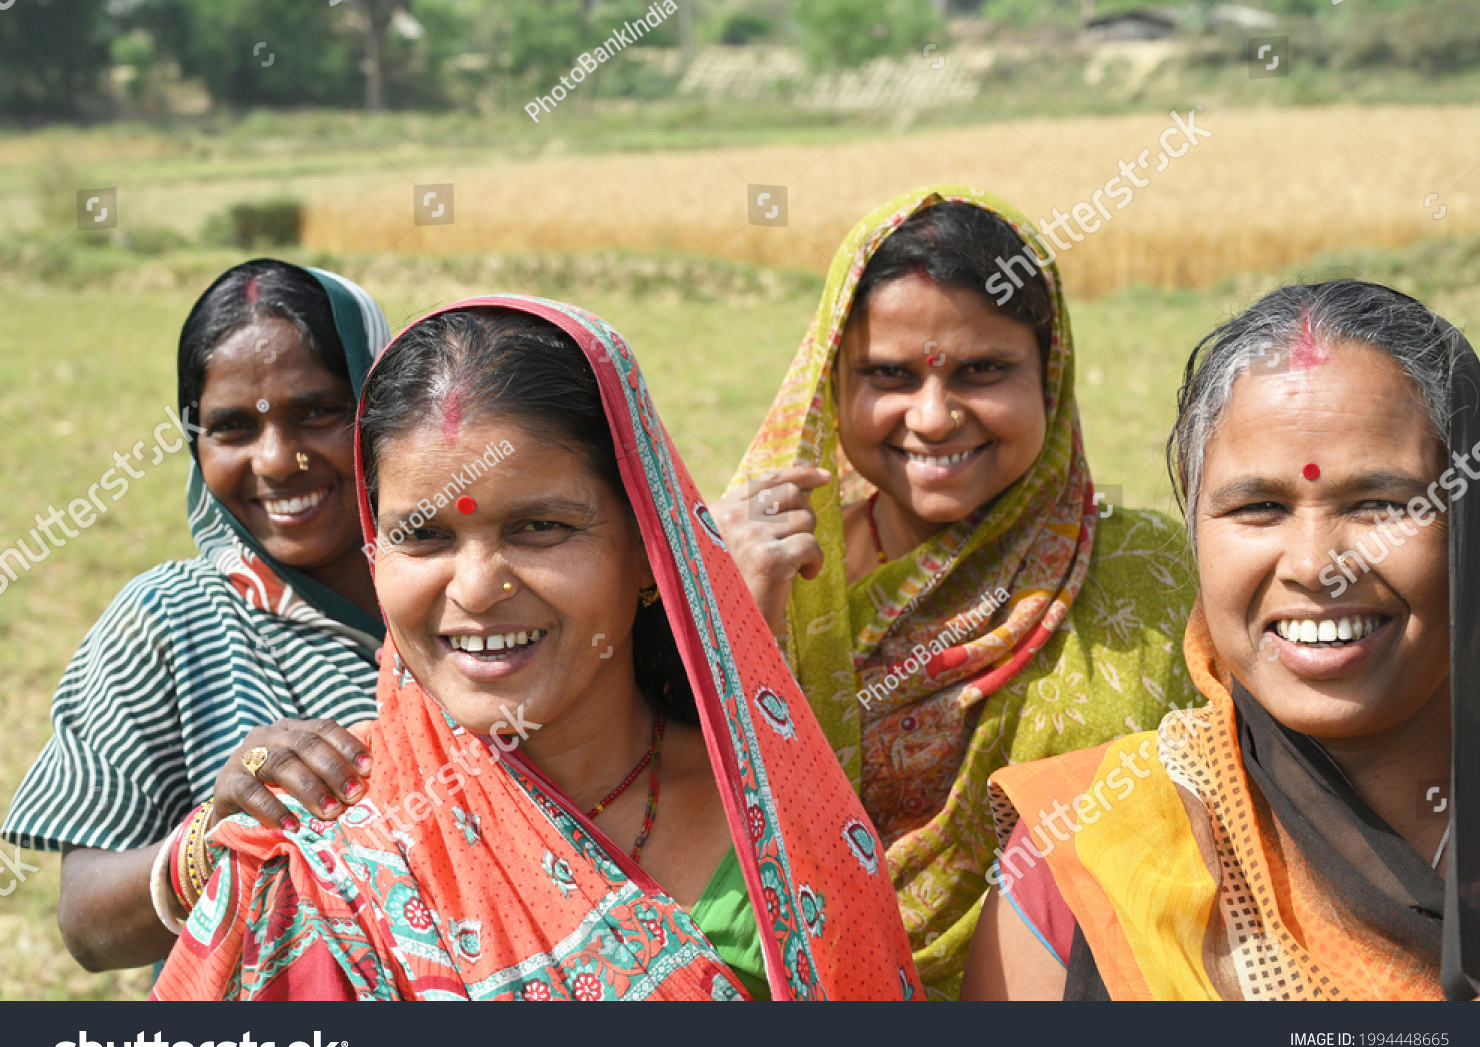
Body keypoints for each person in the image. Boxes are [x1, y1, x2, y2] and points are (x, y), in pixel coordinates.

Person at [151, 295, 921, 1001]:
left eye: (540, 527)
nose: (479, 587)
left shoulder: (780, 808)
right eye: (423, 537)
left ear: (651, 552)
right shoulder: (327, 860)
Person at [711, 186, 1199, 997]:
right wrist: (732, 612)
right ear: (833, 384)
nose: (933, 417)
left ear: (1050, 374)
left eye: (982, 370)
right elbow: (691, 822)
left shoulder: (1156, 572)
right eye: (889, 375)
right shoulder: (766, 569)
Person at [964, 280, 1480, 1000]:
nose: (1316, 565)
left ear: (1476, 528)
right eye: (1260, 507)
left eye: (1379, 503)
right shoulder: (1087, 849)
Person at [1, 260, 392, 971]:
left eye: (317, 411)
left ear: (385, 404)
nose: (277, 460)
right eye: (232, 427)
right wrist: (210, 838)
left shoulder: (470, 595)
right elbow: (87, 924)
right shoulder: (166, 621)